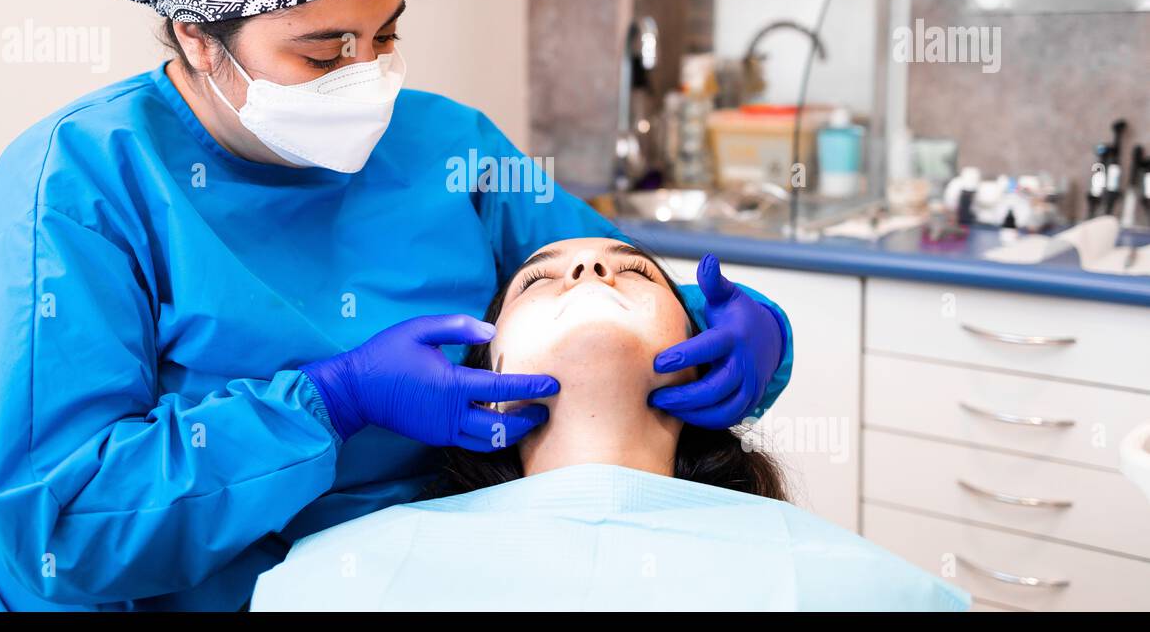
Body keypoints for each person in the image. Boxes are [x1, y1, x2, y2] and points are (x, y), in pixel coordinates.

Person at [0, 0, 794, 611]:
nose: (367, 75)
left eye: (386, 35)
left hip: (388, 582)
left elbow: (600, 284)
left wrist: (746, 336)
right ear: (197, 40)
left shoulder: (448, 145)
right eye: (323, 50)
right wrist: (332, 403)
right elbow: (64, 528)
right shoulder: (66, 201)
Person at [251, 239, 971, 612]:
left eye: (636, 273)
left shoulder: (869, 589)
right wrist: (340, 394)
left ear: (696, 365)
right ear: (485, 378)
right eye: (536, 280)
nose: (592, 265)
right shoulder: (326, 582)